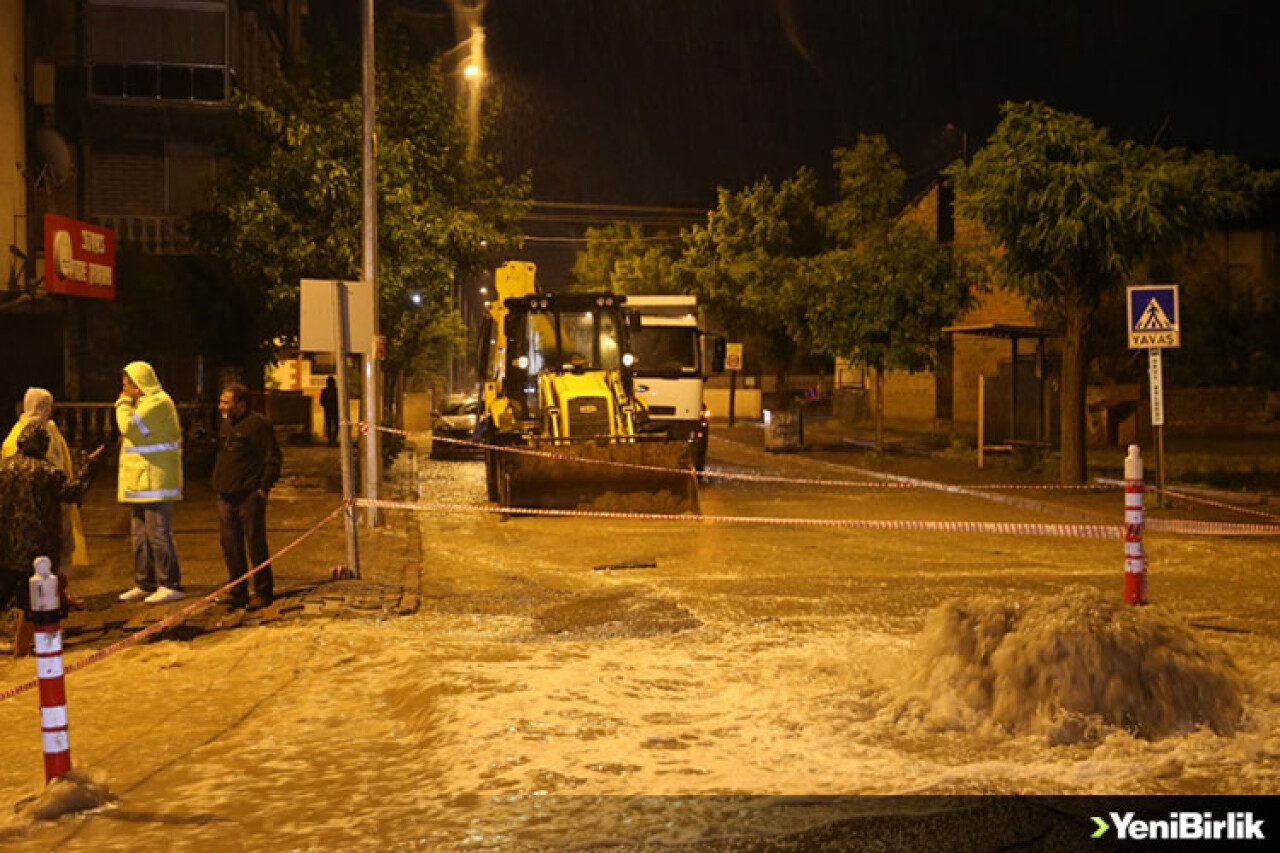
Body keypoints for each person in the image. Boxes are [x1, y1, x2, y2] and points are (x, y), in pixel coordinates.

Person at [0, 423, 101, 655]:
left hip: (5, 546)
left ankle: (16, 646)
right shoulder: (47, 472)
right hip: (37, 548)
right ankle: (22, 650)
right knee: (32, 602)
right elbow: (73, 492)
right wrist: (88, 467)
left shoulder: (3, 468)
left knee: (4, 594)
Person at [115, 361, 185, 604]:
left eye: (128, 387)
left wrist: (122, 404)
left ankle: (171, 584)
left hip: (156, 480)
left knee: (158, 534)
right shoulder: (144, 403)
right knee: (140, 536)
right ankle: (144, 583)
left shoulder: (158, 403)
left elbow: (128, 427)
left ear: (140, 385)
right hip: (140, 481)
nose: (125, 392)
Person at [3, 388, 92, 573]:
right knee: (47, 554)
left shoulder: (46, 429)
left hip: (36, 509)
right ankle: (49, 592)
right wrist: (86, 470)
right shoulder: (32, 436)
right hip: (44, 510)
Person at [213, 383, 282, 609]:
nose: (221, 406)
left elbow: (272, 458)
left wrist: (262, 488)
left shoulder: (258, 426)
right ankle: (238, 590)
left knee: (255, 544)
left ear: (241, 404)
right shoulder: (226, 425)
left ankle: (263, 591)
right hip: (226, 495)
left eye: (226, 402)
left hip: (249, 495)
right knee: (230, 545)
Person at [320, 376, 340, 447]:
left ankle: (332, 440)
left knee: (333, 426)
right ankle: (331, 440)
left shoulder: (335, 391)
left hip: (332, 411)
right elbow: (321, 401)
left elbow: (321, 401)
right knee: (331, 426)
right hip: (331, 411)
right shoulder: (332, 391)